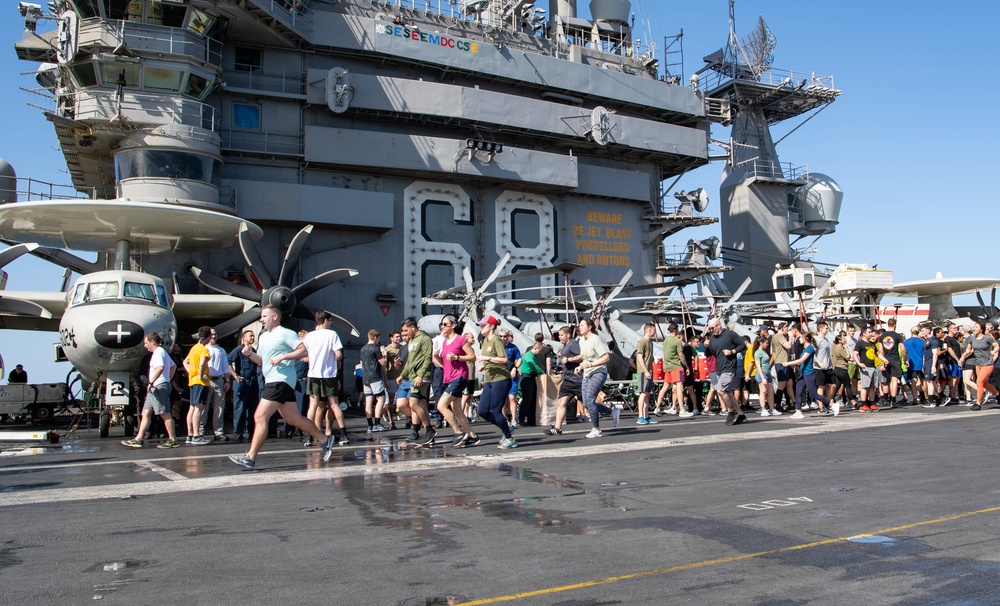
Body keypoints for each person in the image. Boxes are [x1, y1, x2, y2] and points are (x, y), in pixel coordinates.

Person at [229, 305, 335, 469]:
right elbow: (263, 361)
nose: (261, 319)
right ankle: (325, 439)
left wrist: (283, 356)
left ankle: (250, 458)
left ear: (274, 317)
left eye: (264, 316)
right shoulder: (263, 337)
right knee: (293, 419)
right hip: (272, 379)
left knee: (259, 416)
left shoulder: (286, 333)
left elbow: (303, 352)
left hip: (281, 380)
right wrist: (250, 354)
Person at [121, 333, 179, 448]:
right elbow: (173, 367)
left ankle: (173, 439)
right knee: (146, 412)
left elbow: (160, 367)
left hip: (158, 387)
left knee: (164, 413)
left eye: (146, 343)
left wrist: (152, 382)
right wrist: (168, 378)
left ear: (153, 342)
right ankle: (138, 438)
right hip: (156, 387)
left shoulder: (158, 353)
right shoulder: (163, 352)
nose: (145, 346)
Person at [303, 310, 349, 445]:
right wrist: (335, 358)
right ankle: (343, 435)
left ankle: (308, 436)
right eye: (330, 321)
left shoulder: (309, 336)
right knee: (334, 404)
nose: (331, 323)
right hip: (329, 374)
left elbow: (305, 356)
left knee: (313, 405)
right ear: (325, 321)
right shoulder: (332, 334)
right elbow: (338, 354)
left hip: (313, 374)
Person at [435, 316, 480, 447]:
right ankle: (472, 436)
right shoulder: (445, 343)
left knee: (441, 405)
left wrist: (457, 357)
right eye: (441, 324)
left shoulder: (460, 340)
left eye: (445, 324)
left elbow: (472, 356)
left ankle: (458, 432)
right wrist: (436, 356)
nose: (442, 327)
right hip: (449, 377)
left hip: (459, 376)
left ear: (453, 325)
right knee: (457, 410)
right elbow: (445, 363)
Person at [476, 315, 516, 448]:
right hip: (489, 380)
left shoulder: (496, 341)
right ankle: (506, 427)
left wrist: (486, 358)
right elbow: (491, 359)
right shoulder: (485, 341)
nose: (481, 328)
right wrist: (484, 365)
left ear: (491, 326)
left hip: (501, 380)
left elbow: (504, 360)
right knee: (482, 411)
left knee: (496, 410)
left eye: (483, 325)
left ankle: (509, 439)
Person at [703, 318, 747, 425]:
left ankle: (730, 412)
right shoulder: (712, 338)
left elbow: (742, 345)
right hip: (719, 369)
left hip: (729, 367)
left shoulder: (730, 334)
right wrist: (706, 347)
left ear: (718, 325)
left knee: (720, 390)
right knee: (728, 393)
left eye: (712, 328)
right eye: (710, 329)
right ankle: (741, 415)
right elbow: (709, 354)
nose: (711, 330)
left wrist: (732, 351)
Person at [400, 316, 435, 444]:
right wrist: (402, 374)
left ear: (413, 327)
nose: (405, 333)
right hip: (413, 376)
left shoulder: (424, 339)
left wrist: (420, 375)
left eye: (406, 330)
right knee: (419, 404)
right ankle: (428, 431)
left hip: (422, 377)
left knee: (413, 403)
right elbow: (410, 361)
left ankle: (429, 429)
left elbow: (427, 358)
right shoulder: (412, 341)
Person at [577, 317, 612, 438]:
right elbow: (585, 357)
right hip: (587, 372)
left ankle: (596, 428)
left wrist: (591, 364)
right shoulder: (581, 340)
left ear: (589, 327)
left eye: (582, 325)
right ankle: (611, 411)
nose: (580, 327)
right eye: (579, 325)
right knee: (586, 402)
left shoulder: (596, 339)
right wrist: (580, 365)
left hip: (598, 372)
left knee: (590, 400)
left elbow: (606, 357)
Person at [785, 332, 833, 417]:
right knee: (798, 391)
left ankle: (831, 404)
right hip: (803, 374)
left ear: (805, 339)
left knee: (814, 394)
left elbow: (801, 360)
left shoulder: (810, 348)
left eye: (800, 338)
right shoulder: (806, 348)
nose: (799, 339)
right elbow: (812, 357)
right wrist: (819, 362)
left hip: (809, 374)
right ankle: (798, 411)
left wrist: (788, 363)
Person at [545, 324, 581, 436]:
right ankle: (557, 428)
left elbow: (582, 356)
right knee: (561, 401)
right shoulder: (566, 345)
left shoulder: (573, 344)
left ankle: (610, 409)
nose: (559, 337)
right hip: (567, 380)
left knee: (589, 403)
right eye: (559, 335)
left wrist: (568, 360)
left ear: (568, 335)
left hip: (577, 380)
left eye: (561, 335)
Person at [959, 321, 1000, 410]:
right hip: (978, 364)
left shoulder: (987, 338)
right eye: (974, 327)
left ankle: (978, 403)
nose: (974, 328)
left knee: (979, 382)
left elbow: (997, 346)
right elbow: (969, 350)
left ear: (981, 329)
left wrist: (993, 352)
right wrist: (963, 357)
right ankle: (997, 394)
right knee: (985, 384)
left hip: (988, 363)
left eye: (976, 327)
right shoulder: (971, 339)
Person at [183, 327, 213, 445]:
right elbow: (202, 364)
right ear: (208, 337)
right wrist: (200, 376)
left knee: (192, 407)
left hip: (193, 380)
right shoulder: (203, 350)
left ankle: (190, 435)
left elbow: (185, 362)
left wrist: (191, 372)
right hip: (200, 382)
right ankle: (196, 435)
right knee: (198, 408)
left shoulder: (194, 348)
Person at [228, 330, 259, 442]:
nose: (252, 337)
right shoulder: (238, 350)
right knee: (240, 408)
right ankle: (237, 432)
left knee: (252, 408)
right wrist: (235, 375)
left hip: (253, 383)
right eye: (250, 336)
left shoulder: (253, 351)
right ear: (244, 337)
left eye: (253, 336)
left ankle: (250, 431)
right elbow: (228, 361)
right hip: (242, 382)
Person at [655, 323, 688, 417]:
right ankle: (682, 410)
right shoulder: (677, 341)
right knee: (679, 387)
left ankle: (657, 408)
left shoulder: (665, 341)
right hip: (676, 366)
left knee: (665, 387)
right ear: (675, 330)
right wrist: (687, 367)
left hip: (668, 367)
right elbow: (681, 355)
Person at [204, 329, 231, 440]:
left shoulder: (221, 350)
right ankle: (200, 431)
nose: (214, 336)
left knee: (219, 408)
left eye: (215, 334)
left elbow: (225, 367)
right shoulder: (204, 349)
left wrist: (227, 380)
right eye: (211, 334)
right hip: (207, 380)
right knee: (203, 407)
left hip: (219, 380)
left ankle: (218, 432)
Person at [360, 328, 389, 433]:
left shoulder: (363, 349)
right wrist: (384, 356)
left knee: (368, 401)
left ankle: (369, 425)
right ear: (375, 337)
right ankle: (377, 423)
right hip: (375, 376)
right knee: (380, 399)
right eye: (378, 338)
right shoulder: (375, 348)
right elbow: (383, 363)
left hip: (366, 377)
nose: (379, 340)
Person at [877, 318, 907, 407]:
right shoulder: (897, 336)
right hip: (895, 359)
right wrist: (905, 359)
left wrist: (883, 362)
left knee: (888, 380)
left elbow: (880, 350)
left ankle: (888, 398)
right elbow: (903, 349)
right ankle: (893, 400)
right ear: (894, 325)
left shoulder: (882, 336)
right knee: (894, 380)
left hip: (886, 359)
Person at [634, 322, 659, 424]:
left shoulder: (650, 343)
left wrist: (654, 360)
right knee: (643, 394)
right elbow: (639, 357)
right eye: (654, 330)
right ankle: (640, 416)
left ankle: (646, 416)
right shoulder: (642, 342)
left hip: (649, 370)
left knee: (647, 394)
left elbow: (648, 356)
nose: (655, 332)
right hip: (644, 371)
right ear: (649, 330)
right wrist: (645, 371)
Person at [518, 341, 545, 426]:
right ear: (535, 348)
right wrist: (541, 372)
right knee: (527, 399)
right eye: (540, 351)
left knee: (532, 400)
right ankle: (521, 418)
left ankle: (531, 419)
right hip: (527, 378)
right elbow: (532, 365)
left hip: (531, 377)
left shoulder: (532, 355)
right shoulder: (529, 355)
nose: (540, 353)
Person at [754, 335, 779, 416]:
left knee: (771, 392)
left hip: (767, 372)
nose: (767, 345)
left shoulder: (764, 352)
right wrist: (763, 377)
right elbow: (758, 365)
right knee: (763, 391)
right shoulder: (757, 353)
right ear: (761, 343)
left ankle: (772, 409)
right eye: (766, 343)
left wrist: (769, 375)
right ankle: (763, 409)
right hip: (762, 373)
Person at [502, 329, 522, 426]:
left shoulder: (513, 348)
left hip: (511, 373)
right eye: (501, 336)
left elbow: (519, 359)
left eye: (505, 336)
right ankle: (505, 417)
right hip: (501, 375)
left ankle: (514, 419)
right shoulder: (498, 346)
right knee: (503, 398)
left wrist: (515, 368)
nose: (503, 338)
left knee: (512, 397)